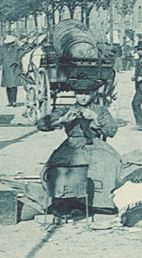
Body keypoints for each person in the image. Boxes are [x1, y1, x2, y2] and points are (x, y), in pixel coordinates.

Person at [38, 82, 122, 212]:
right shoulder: (66, 110)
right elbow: (41, 125)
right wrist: (62, 120)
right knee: (53, 168)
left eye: (87, 94)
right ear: (75, 95)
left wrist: (95, 118)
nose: (83, 97)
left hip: (95, 144)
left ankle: (100, 204)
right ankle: (64, 200)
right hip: (72, 145)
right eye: (79, 94)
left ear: (93, 94)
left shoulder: (100, 110)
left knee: (109, 164)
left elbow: (112, 131)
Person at [0, 36, 22, 107]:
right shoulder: (4, 49)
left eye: (11, 43)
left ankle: (14, 101)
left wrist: (17, 63)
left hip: (14, 69)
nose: (10, 45)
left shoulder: (17, 49)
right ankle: (10, 101)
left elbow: (20, 57)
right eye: (8, 43)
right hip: (6, 69)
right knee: (8, 86)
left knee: (13, 86)